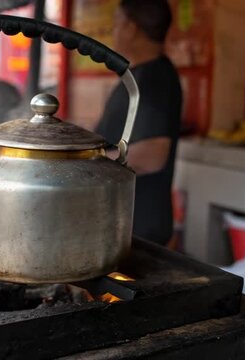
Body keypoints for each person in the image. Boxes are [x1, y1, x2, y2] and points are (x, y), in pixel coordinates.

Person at [95, 0, 182, 245]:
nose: (113, 33)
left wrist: (86, 164)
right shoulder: (138, 76)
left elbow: (152, 155)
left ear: (130, 28)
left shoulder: (154, 78)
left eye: (115, 25)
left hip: (139, 226)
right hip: (122, 223)